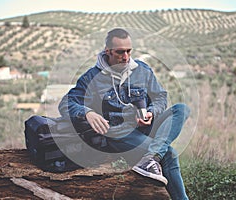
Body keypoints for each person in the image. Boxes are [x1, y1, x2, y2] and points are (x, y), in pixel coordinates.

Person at [58, 28, 190, 200]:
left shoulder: (142, 70)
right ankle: (156, 161)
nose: (126, 57)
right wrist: (87, 113)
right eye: (120, 52)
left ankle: (150, 157)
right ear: (108, 51)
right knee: (169, 153)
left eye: (129, 51)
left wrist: (151, 112)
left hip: (145, 127)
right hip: (119, 135)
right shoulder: (91, 78)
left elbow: (160, 97)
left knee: (181, 109)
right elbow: (65, 104)